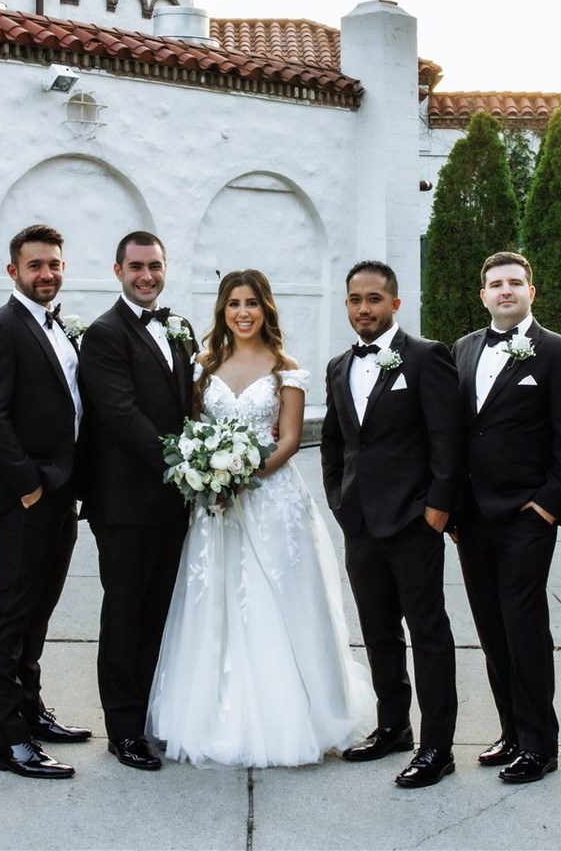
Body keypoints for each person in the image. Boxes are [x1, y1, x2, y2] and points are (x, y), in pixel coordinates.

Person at [148, 270, 373, 767]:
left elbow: (289, 441)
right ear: (222, 310)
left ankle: (292, 715)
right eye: (234, 304)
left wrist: (239, 477)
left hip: (270, 501)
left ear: (265, 308)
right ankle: (211, 714)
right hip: (214, 506)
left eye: (251, 303)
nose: (243, 313)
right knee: (215, 599)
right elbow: (192, 429)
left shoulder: (284, 368)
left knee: (276, 600)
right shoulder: (202, 365)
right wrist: (208, 475)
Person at [322, 260, 463, 788]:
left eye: (374, 299)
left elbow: (447, 439)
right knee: (378, 632)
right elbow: (335, 441)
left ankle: (437, 747)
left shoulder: (426, 357)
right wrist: (338, 498)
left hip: (413, 521)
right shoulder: (338, 366)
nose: (364, 308)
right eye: (355, 299)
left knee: (428, 633)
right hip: (360, 522)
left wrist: (437, 509)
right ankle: (393, 726)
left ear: (395, 304)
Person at [451, 251, 561, 785]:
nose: (504, 291)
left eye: (514, 283)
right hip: (472, 515)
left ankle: (538, 743)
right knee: (490, 625)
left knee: (524, 624)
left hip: (526, 515)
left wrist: (549, 503)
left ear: (531, 291)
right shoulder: (463, 348)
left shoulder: (559, 352)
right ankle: (510, 730)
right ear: (483, 294)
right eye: (495, 284)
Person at [0, 224, 90, 780]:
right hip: (29, 495)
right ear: (13, 271)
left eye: (54, 264)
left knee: (39, 609)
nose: (47, 274)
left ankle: (32, 710)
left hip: (63, 493)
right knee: (11, 612)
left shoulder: (56, 325)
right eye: (35, 265)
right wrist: (27, 484)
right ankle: (9, 739)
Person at [75, 231, 193, 771]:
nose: (147, 276)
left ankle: (148, 716)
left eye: (155, 266)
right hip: (124, 503)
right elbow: (120, 413)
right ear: (118, 270)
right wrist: (180, 462)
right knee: (125, 614)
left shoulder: (178, 327)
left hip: (174, 501)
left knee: (159, 613)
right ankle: (122, 730)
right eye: (137, 266)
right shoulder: (104, 334)